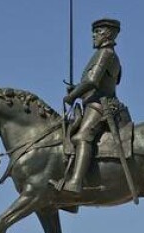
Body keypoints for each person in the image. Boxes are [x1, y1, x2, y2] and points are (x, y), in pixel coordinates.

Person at [52, 18, 122, 193]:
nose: (93, 36)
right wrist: (76, 89)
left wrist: (72, 96)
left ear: (108, 34)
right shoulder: (103, 54)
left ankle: (76, 182)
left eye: (97, 32)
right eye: (94, 32)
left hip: (100, 105)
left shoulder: (106, 54)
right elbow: (95, 83)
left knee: (82, 137)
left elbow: (92, 81)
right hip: (92, 103)